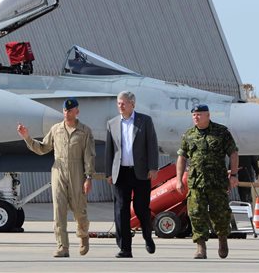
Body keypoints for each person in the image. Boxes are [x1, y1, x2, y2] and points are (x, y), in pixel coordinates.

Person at [17, 97, 95, 258]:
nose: (67, 113)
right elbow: (43, 148)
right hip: (58, 172)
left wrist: (88, 177)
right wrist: (27, 137)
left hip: (77, 173)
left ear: (77, 111)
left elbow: (89, 156)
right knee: (58, 211)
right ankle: (62, 246)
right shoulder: (56, 129)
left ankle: (83, 236)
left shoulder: (85, 131)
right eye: (65, 110)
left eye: (70, 110)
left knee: (79, 210)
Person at [176, 104, 239, 259]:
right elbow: (182, 157)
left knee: (221, 213)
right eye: (194, 115)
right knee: (196, 213)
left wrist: (234, 174)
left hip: (217, 182)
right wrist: (179, 180)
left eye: (199, 114)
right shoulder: (188, 135)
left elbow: (233, 153)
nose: (196, 117)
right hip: (196, 182)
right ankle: (200, 247)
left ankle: (222, 239)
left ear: (208, 115)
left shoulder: (221, 132)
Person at [104, 91, 158, 258]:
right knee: (121, 210)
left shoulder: (145, 121)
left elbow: (152, 145)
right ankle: (125, 248)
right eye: (119, 103)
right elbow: (109, 150)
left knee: (141, 208)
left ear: (132, 104)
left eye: (124, 103)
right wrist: (108, 172)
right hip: (120, 172)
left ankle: (148, 236)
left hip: (141, 172)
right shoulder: (112, 123)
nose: (121, 106)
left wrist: (153, 167)